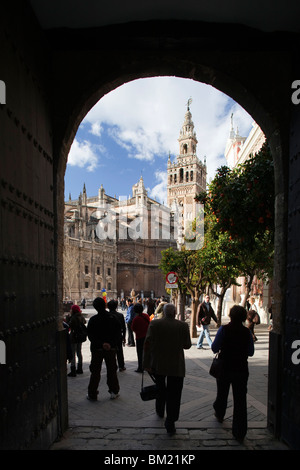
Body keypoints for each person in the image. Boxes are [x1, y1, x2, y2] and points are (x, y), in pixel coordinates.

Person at [143, 303, 192, 436]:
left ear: (163, 312)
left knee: (160, 388)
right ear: (175, 312)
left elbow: (147, 344)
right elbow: (187, 345)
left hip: (158, 364)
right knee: (175, 394)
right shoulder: (182, 326)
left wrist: (145, 363)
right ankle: (170, 421)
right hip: (176, 365)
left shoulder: (155, 324)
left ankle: (160, 410)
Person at [211, 305, 254, 442]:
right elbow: (251, 352)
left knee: (222, 393)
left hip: (224, 367)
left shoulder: (224, 329)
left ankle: (219, 413)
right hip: (241, 368)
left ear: (230, 316)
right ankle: (239, 431)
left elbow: (214, 348)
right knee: (240, 400)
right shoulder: (247, 332)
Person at [86, 297, 121, 400]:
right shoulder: (113, 318)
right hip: (111, 349)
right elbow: (118, 333)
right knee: (112, 370)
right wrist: (110, 344)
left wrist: (101, 344)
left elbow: (90, 336)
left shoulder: (93, 320)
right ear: (105, 305)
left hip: (97, 349)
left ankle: (92, 393)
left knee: (95, 371)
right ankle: (114, 391)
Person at [66, 304, 87, 376]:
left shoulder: (73, 318)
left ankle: (73, 369)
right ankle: (80, 368)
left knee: (73, 353)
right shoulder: (80, 316)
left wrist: (68, 318)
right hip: (80, 337)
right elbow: (84, 322)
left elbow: (69, 325)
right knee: (79, 352)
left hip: (74, 337)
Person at [107, 299, 126, 371]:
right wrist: (124, 337)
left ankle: (112, 365)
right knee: (119, 351)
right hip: (118, 336)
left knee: (110, 352)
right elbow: (124, 328)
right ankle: (121, 366)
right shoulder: (120, 315)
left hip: (109, 337)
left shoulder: (106, 315)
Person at [132, 302, 150, 372]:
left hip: (139, 338)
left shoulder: (136, 319)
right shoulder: (146, 316)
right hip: (147, 336)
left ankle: (140, 367)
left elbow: (133, 328)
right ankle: (147, 366)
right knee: (146, 352)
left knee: (140, 353)